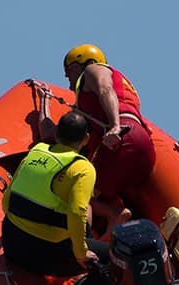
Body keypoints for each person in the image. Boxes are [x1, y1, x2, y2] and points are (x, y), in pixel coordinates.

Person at [56, 44, 156, 229]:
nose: (67, 78)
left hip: (120, 143)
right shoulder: (124, 86)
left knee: (75, 192)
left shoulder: (94, 70)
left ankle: (98, 231)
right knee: (109, 196)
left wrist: (115, 126)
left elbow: (104, 89)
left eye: (69, 70)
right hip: (142, 146)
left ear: (85, 63)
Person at [2, 111, 109, 277]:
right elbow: (76, 211)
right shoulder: (83, 168)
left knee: (83, 209)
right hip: (45, 257)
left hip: (12, 244)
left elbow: (6, 201)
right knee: (115, 256)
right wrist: (81, 253)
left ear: (57, 133)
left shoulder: (37, 150)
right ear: (86, 139)